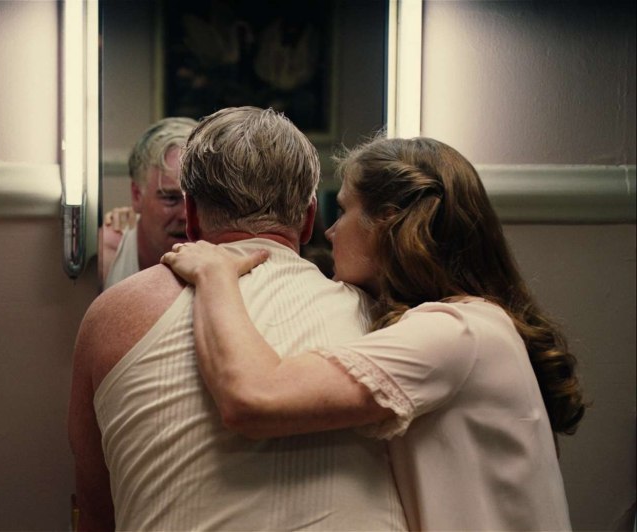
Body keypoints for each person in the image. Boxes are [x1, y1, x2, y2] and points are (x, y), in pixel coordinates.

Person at [161, 135, 586, 531]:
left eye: (343, 210)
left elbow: (256, 398)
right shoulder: (476, 325)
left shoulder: (457, 333)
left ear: (387, 221)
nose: (330, 231)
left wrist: (215, 274)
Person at [68, 107, 407, 531]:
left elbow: (96, 511)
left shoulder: (113, 314)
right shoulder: (383, 319)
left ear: (191, 216)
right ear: (307, 220)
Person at [97, 117, 197, 289]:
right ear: (137, 195)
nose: (186, 215)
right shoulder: (106, 256)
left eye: (197, 198)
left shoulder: (226, 251)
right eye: (170, 198)